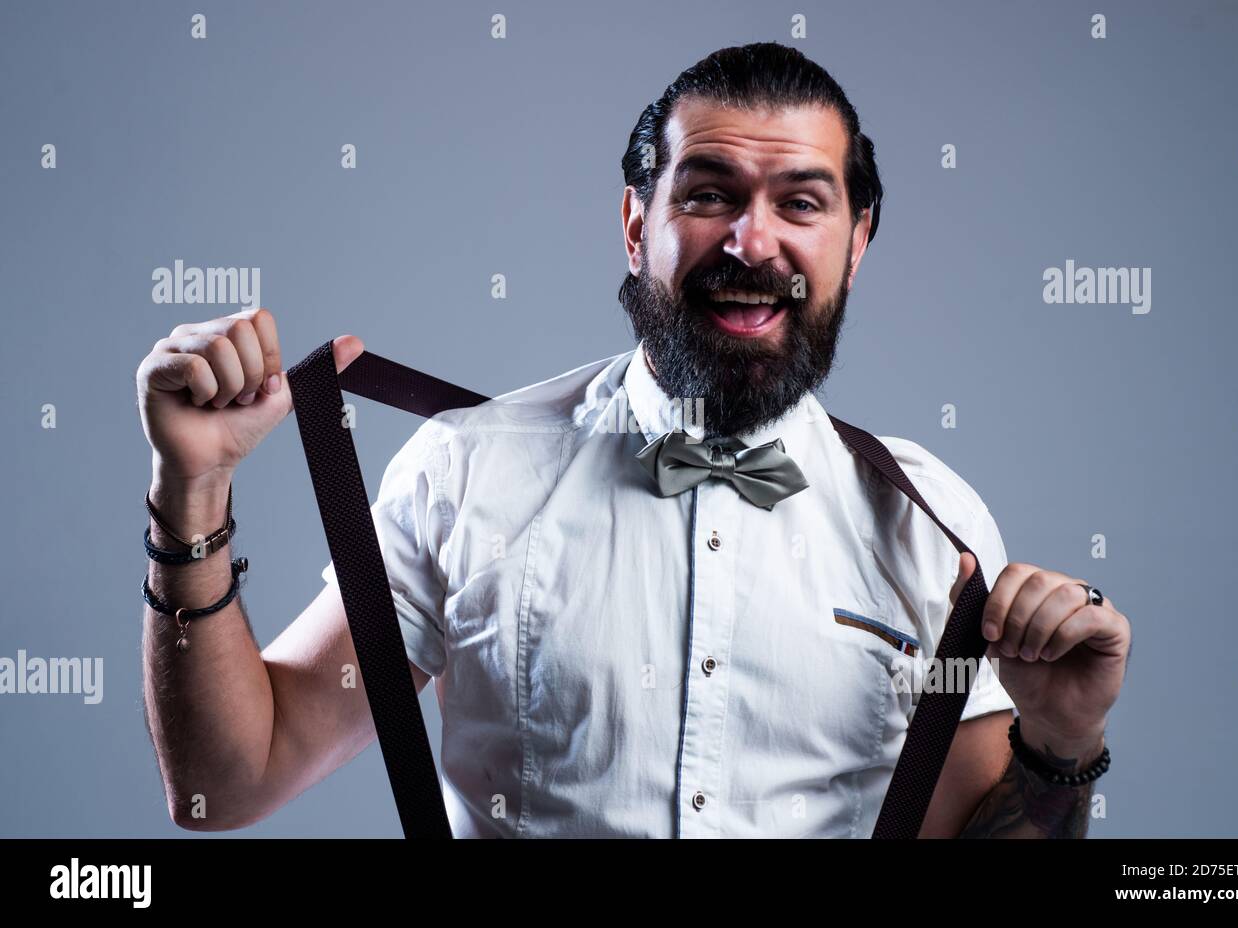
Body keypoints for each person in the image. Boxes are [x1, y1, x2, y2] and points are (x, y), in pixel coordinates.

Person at [135, 43, 1130, 838]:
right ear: (632, 222)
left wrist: (1061, 739)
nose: (752, 240)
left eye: (800, 202)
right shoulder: (464, 470)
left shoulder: (933, 524)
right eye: (707, 194)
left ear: (855, 243)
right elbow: (226, 785)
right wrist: (194, 489)